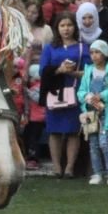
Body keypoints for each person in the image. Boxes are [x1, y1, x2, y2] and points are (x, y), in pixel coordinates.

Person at [40, 13, 87, 178]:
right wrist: (59, 70)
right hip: (55, 92)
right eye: (62, 25)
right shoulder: (50, 48)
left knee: (74, 131)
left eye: (69, 25)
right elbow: (42, 71)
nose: (66, 29)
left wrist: (73, 72)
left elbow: (89, 72)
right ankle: (56, 167)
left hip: (76, 92)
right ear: (57, 28)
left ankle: (69, 168)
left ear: (75, 27)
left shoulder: (83, 47)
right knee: (54, 131)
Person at [78, 39, 108, 186]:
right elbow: (81, 91)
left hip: (106, 114)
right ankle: (97, 173)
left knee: (104, 143)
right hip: (91, 114)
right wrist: (87, 97)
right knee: (93, 145)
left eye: (97, 52)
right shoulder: (88, 71)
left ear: (105, 54)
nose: (94, 55)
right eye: (92, 52)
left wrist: (103, 95)